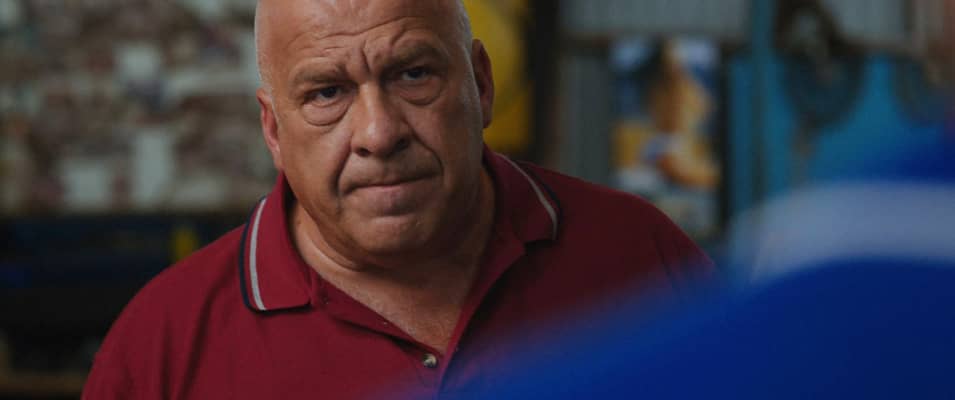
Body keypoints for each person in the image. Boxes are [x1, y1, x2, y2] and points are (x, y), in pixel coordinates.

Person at [82, 1, 713, 398]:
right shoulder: (163, 348)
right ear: (273, 131)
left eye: (413, 74)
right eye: (327, 93)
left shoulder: (641, 258)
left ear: (481, 85)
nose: (379, 133)